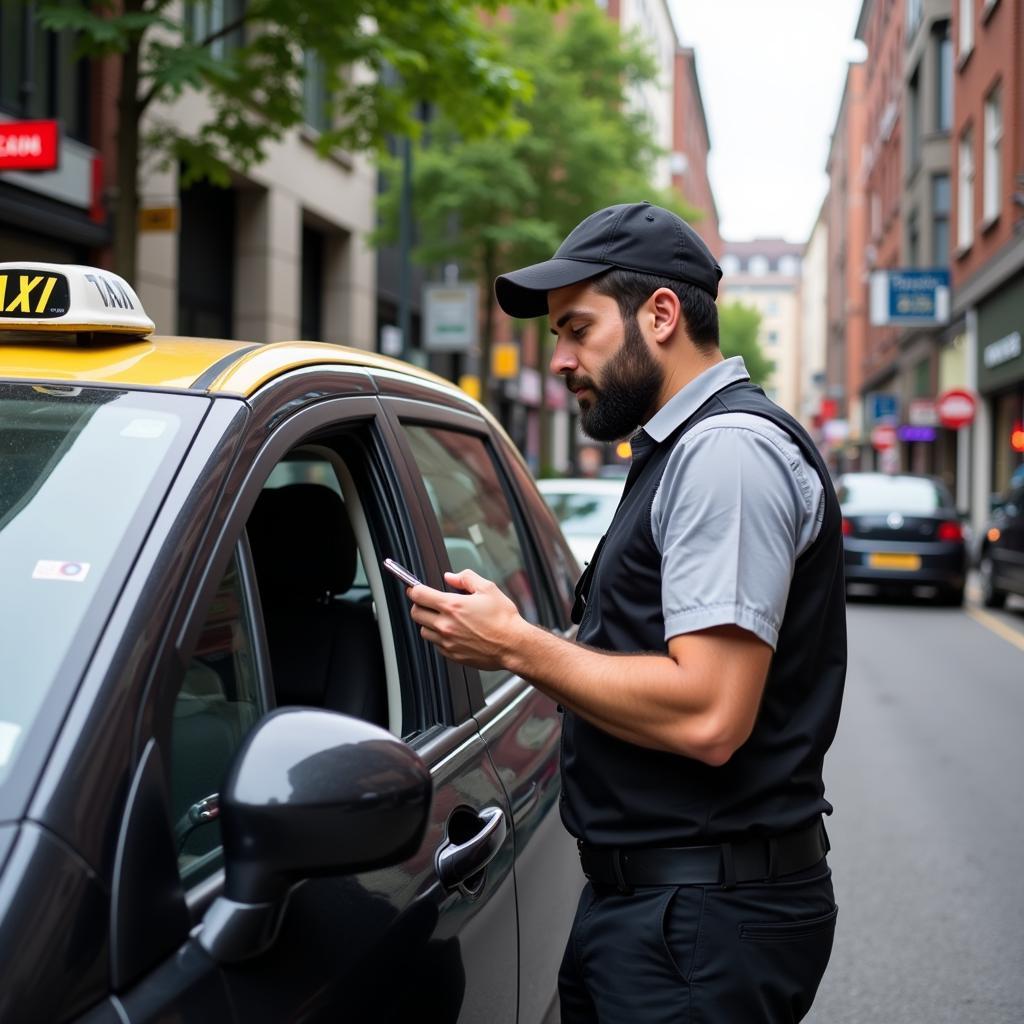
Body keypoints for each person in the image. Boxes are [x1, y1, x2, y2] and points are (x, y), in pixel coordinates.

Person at [406, 202, 846, 1023]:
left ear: (662, 314)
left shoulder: (727, 456)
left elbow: (711, 713)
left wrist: (518, 647)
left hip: (700, 927)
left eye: (577, 329)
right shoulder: (681, 448)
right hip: (670, 912)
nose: (562, 360)